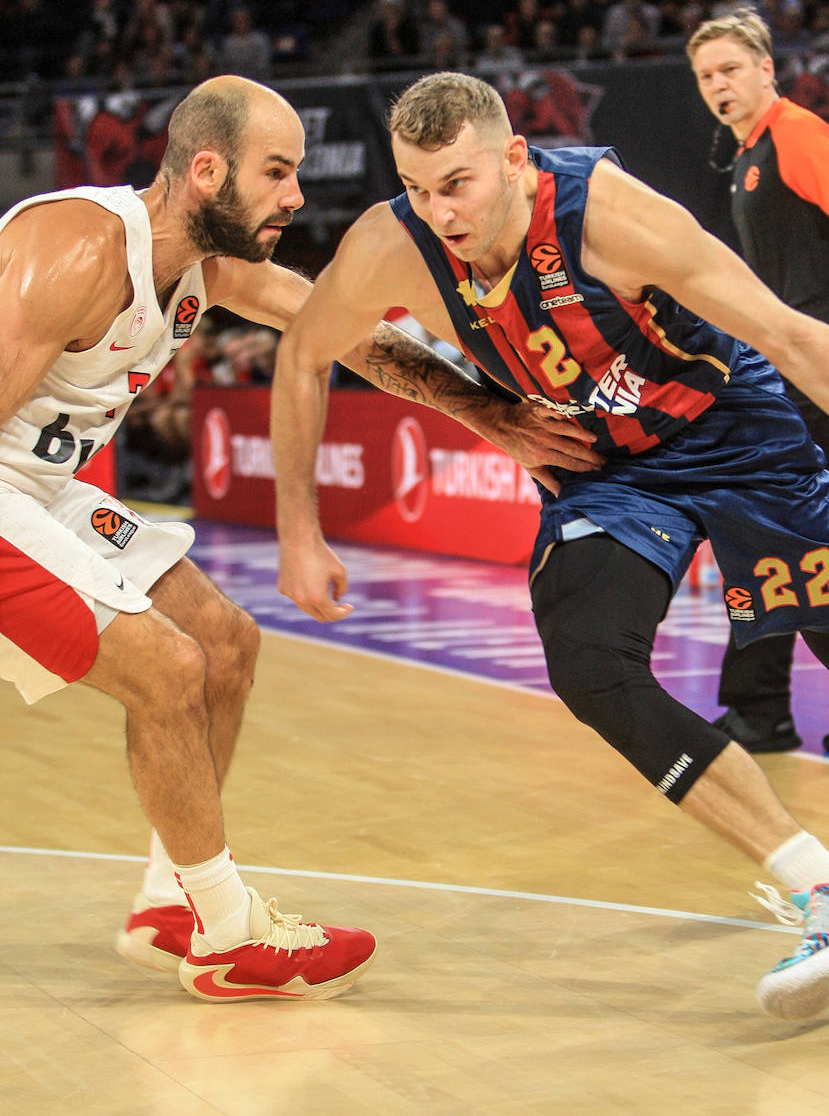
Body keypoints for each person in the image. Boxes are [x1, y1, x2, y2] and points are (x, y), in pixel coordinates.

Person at [271, 70, 829, 1022]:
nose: (437, 211)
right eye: (417, 187)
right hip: (608, 468)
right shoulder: (388, 245)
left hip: (730, 429)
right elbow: (303, 353)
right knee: (587, 662)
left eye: (458, 184)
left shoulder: (612, 218)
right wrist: (298, 526)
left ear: (514, 160)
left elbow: (788, 334)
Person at [0, 74, 599, 1003]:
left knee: (224, 644)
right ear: (207, 171)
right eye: (277, 173)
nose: (295, 196)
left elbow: (349, 334)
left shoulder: (210, 267)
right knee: (165, 668)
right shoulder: (77, 246)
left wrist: (492, 417)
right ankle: (230, 933)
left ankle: (174, 904)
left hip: (38, 485)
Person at [686, 9, 829, 756]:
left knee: (782, 536)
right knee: (790, 538)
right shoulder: (748, 151)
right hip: (786, 373)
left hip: (818, 373)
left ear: (765, 70)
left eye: (729, 70)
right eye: (705, 76)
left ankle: (774, 707)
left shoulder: (797, 132)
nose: (718, 84)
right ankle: (807, 703)